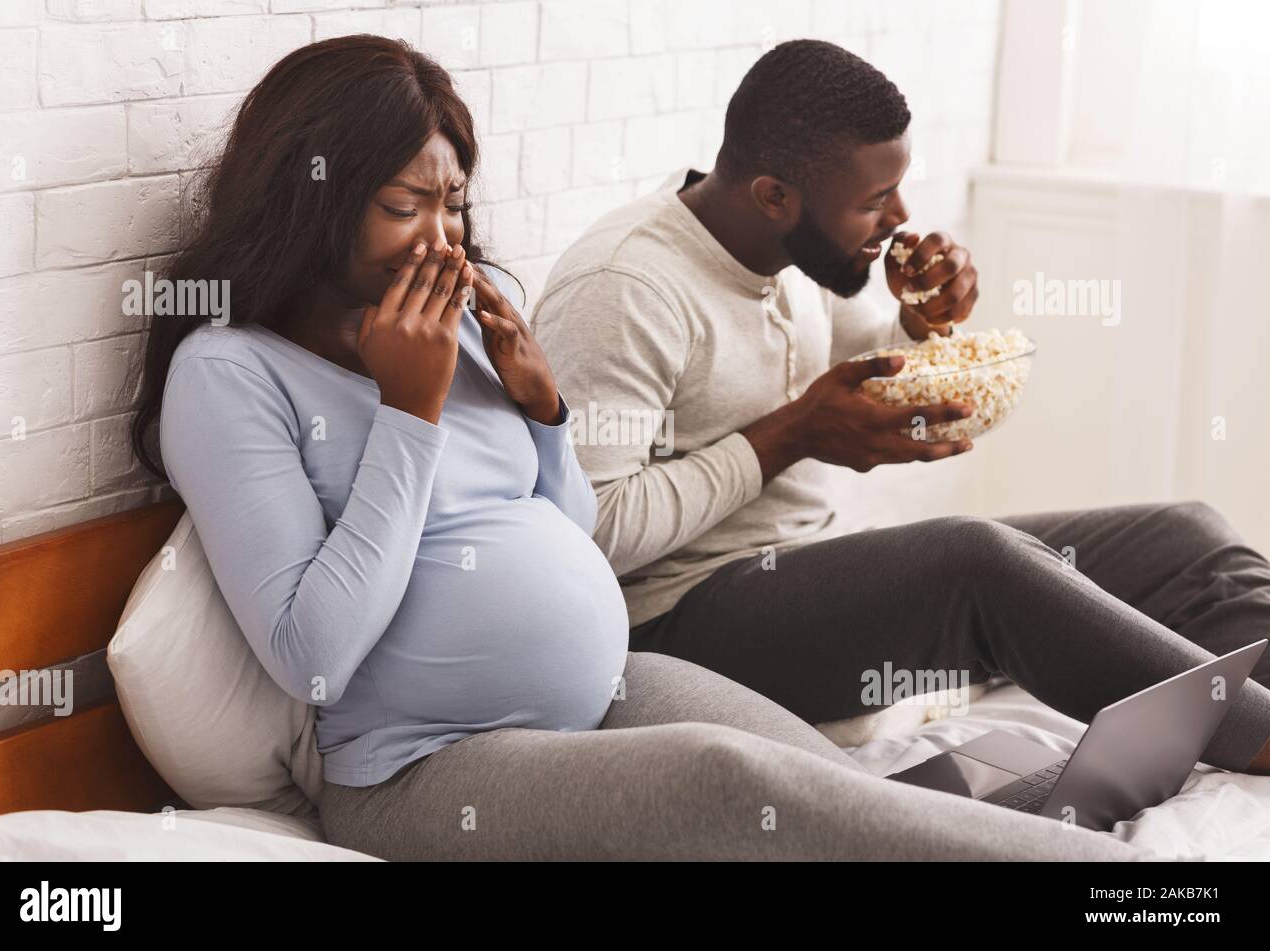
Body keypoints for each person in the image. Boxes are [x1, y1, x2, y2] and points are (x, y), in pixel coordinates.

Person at [530, 38, 1270, 781]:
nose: (900, 217)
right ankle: (1260, 735)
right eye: (875, 202)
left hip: (800, 568)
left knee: (1186, 538)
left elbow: (865, 370)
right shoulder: (624, 288)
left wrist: (916, 324)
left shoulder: (785, 253)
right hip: (678, 621)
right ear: (774, 195)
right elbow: (591, 529)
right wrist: (788, 436)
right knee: (975, 561)